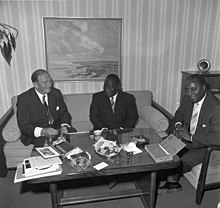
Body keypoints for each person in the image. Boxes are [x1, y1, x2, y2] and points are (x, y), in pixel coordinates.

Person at [158, 74, 220, 194]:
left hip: (205, 147)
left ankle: (173, 183)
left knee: (182, 160)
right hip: (187, 137)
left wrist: (191, 137)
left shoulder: (216, 108)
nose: (189, 93)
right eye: (187, 90)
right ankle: (160, 175)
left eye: (193, 89)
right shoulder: (187, 99)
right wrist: (178, 126)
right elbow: (179, 114)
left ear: (203, 88)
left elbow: (218, 138)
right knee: (163, 147)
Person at [17, 69, 76, 147]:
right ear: (36, 84)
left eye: (50, 81)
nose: (49, 85)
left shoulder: (56, 93)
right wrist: (43, 131)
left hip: (57, 131)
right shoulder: (24, 99)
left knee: (75, 138)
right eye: (45, 82)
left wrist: (64, 126)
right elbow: (24, 125)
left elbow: (64, 113)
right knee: (45, 146)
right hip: (38, 135)